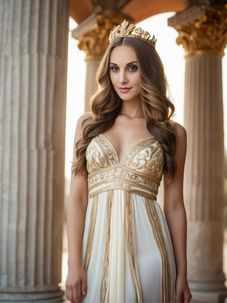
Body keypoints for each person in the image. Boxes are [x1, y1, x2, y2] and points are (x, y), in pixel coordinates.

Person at [65, 20, 192, 303]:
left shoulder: (172, 133)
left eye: (131, 68)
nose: (121, 78)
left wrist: (183, 272)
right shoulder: (88, 124)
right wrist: (74, 262)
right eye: (114, 68)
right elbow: (77, 196)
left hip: (151, 252)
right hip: (94, 251)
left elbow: (173, 205)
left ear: (147, 71)